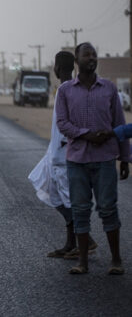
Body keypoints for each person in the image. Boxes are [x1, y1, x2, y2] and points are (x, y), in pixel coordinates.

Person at [55, 42, 129, 276]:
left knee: (108, 208)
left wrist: (125, 158)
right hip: (77, 160)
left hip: (106, 159)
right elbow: (62, 123)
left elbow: (119, 124)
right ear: (77, 61)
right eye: (86, 55)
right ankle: (83, 262)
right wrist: (86, 135)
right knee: (80, 210)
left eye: (94, 54)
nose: (92, 58)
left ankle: (116, 260)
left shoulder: (108, 88)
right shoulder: (65, 91)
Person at [28, 51, 97, 259]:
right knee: (44, 184)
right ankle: (70, 243)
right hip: (55, 152)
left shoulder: (67, 89)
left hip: (64, 154)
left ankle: (86, 241)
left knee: (68, 199)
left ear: (56, 68)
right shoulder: (65, 89)